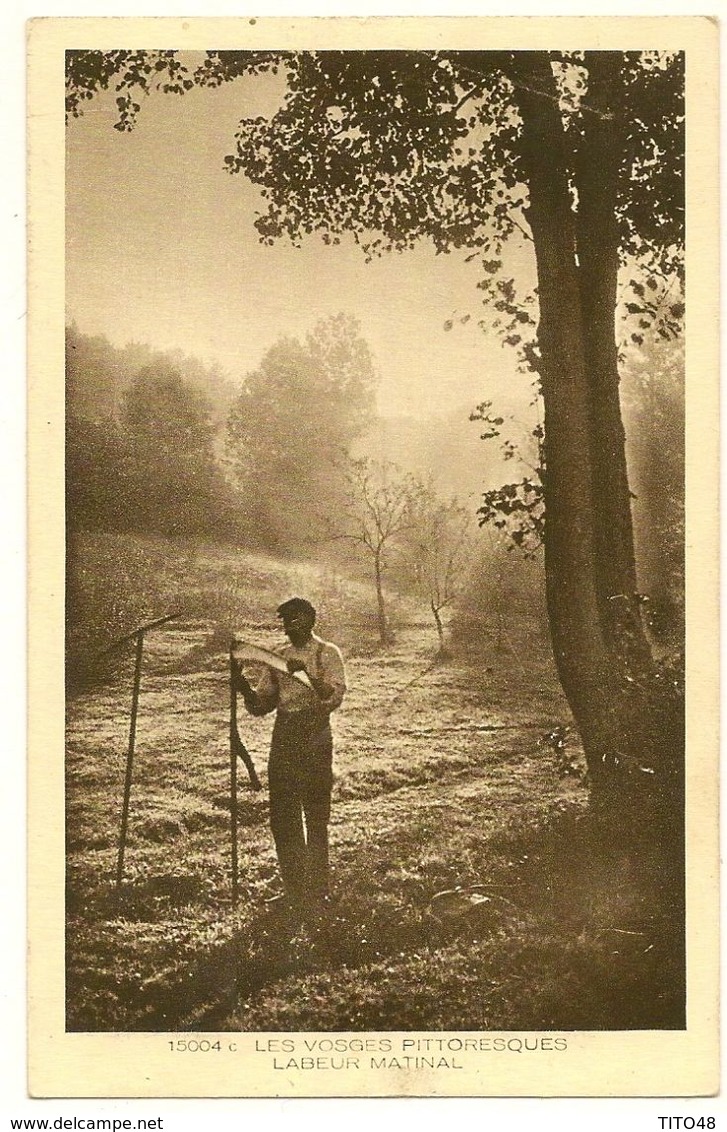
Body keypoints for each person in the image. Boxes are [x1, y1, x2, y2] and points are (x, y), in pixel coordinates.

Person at [234, 597, 346, 917]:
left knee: (315, 813)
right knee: (283, 815)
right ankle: (294, 890)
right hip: (284, 735)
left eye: (296, 620)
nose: (290, 627)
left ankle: (318, 889)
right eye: (286, 622)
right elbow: (262, 705)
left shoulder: (327, 653)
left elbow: (332, 698)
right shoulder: (278, 658)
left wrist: (307, 674)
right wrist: (242, 685)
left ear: (310, 620)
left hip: (315, 735)